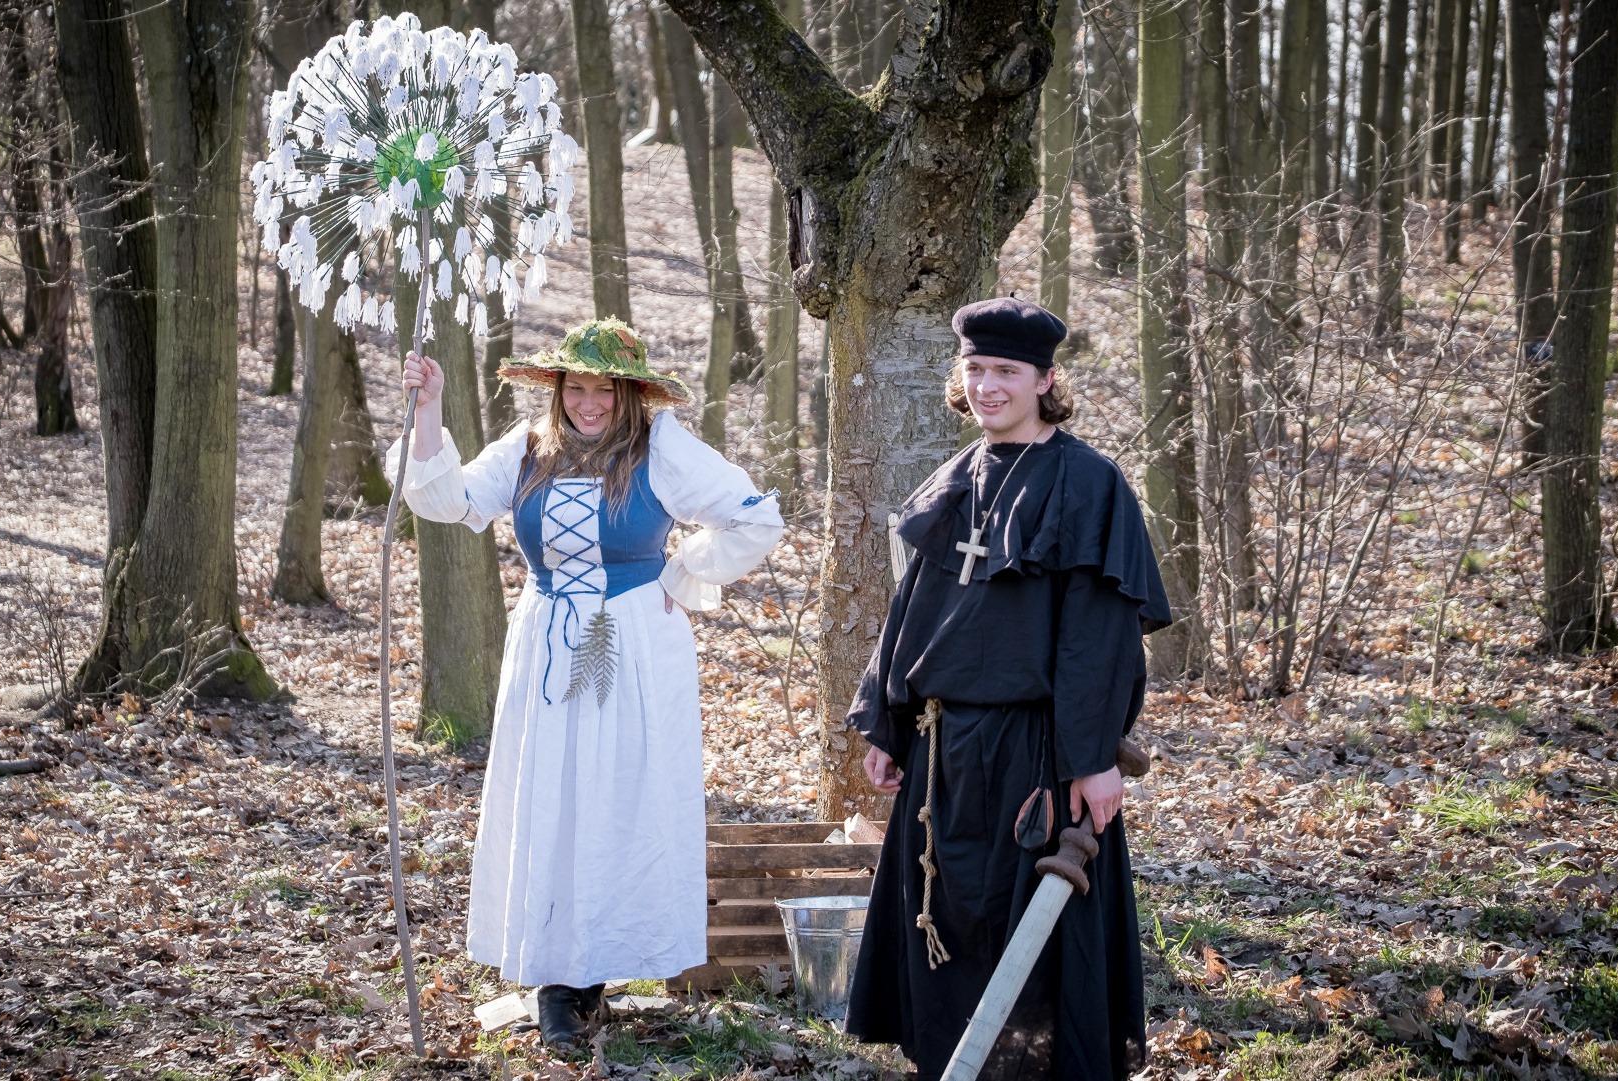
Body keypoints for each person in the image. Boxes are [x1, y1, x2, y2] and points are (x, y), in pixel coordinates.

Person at [387, 318, 784, 1047]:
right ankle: (555, 971)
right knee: (553, 792)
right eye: (577, 386)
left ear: (630, 394)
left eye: (605, 388)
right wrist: (430, 407)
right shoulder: (528, 448)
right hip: (545, 637)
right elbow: (447, 501)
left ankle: (593, 967)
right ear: (558, 388)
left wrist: (683, 571)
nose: (589, 402)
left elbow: (756, 517)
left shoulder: (660, 448)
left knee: (615, 795)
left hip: (631, 642)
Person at [843, 297, 1170, 1081]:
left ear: (1045, 380)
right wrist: (888, 722)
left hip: (1040, 752)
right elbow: (910, 615)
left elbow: (1098, 639)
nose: (987, 385)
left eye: (1007, 371)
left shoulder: (1090, 484)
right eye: (976, 368)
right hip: (943, 753)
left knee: (1043, 944)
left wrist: (1093, 757)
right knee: (946, 928)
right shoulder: (953, 480)